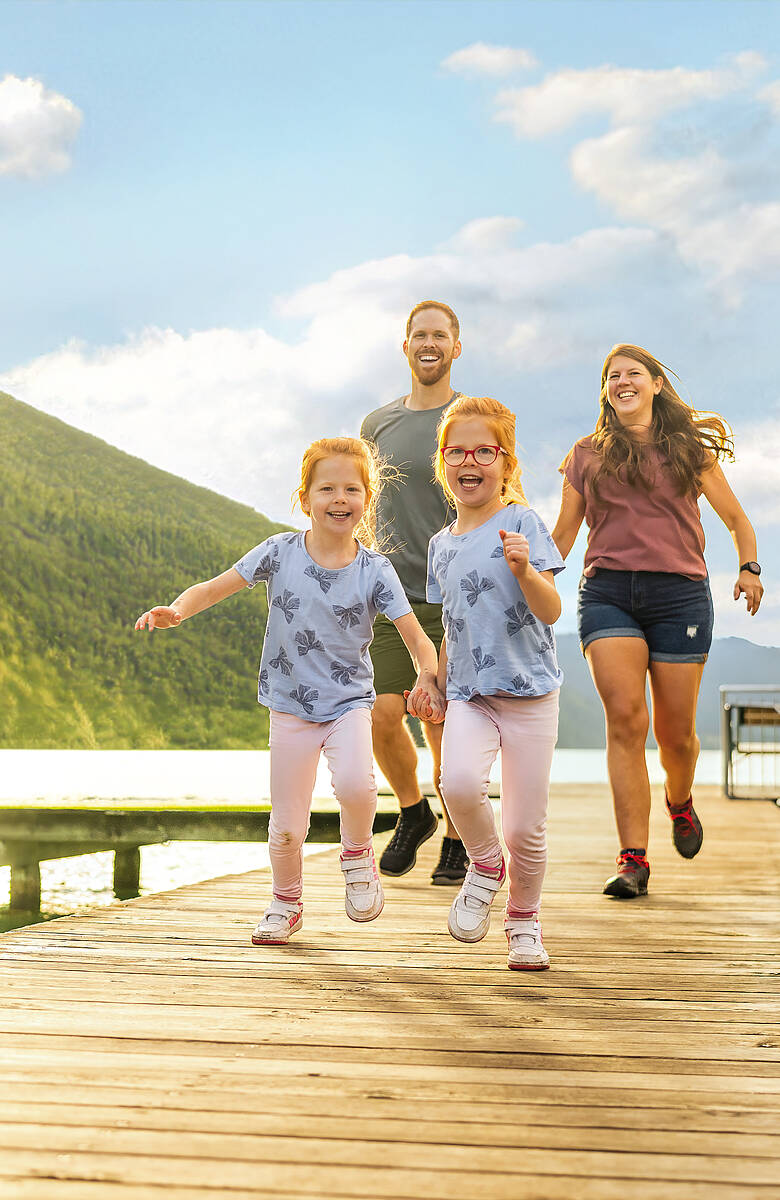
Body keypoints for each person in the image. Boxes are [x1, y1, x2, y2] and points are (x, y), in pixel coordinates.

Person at [135, 436, 443, 944]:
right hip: (290, 708)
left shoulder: (375, 570)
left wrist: (428, 677)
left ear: (366, 499)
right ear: (304, 499)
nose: (339, 499)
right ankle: (286, 902)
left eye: (351, 488)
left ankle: (357, 855)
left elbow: (416, 639)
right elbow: (214, 587)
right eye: (327, 489)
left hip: (348, 702)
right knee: (285, 824)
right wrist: (179, 610)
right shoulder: (278, 552)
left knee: (358, 787)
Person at [552, 344, 764, 899]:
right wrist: (523, 574)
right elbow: (564, 537)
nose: (622, 381)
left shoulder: (689, 449)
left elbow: (739, 520)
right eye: (612, 376)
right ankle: (633, 860)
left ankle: (681, 799)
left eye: (633, 374)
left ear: (655, 386)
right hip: (608, 593)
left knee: (678, 737)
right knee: (625, 720)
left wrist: (749, 568)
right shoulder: (586, 454)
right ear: (606, 392)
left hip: (681, 597)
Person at [410, 395, 564, 971]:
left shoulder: (521, 522)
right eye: (457, 451)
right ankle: (484, 863)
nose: (469, 460)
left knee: (526, 825)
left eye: (484, 451)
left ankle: (524, 921)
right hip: (472, 695)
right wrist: (434, 680)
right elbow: (455, 624)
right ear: (443, 463)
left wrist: (525, 569)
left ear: (505, 462)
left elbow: (549, 612)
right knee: (457, 784)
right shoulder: (440, 545)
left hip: (530, 695)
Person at [361, 300, 468, 885]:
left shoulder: (472, 417)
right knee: (381, 714)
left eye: (440, 335)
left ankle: (458, 835)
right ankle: (413, 811)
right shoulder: (376, 425)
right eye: (419, 335)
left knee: (443, 719)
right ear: (406, 348)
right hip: (389, 593)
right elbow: (367, 505)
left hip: (453, 594)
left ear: (456, 347)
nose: (429, 344)